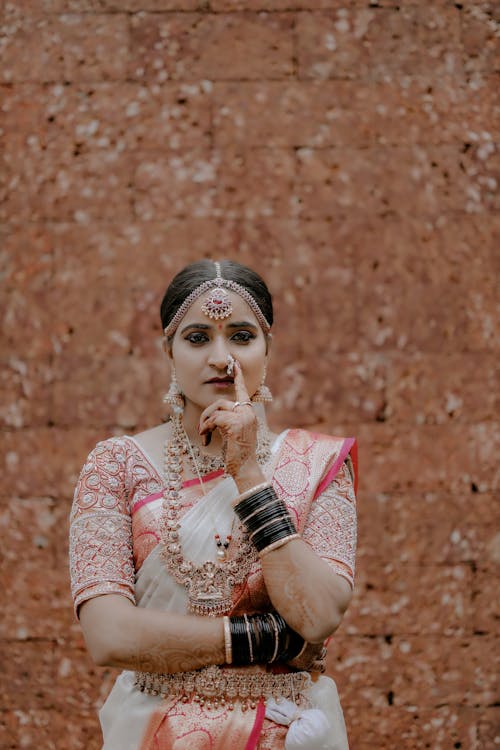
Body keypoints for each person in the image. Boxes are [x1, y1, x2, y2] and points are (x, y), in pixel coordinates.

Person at [69, 259, 358, 750]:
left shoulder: (317, 463)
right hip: (156, 733)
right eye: (198, 337)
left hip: (287, 733)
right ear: (169, 350)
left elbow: (318, 615)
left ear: (267, 350)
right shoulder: (117, 464)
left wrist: (248, 473)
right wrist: (266, 640)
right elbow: (109, 635)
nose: (222, 358)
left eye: (242, 336)